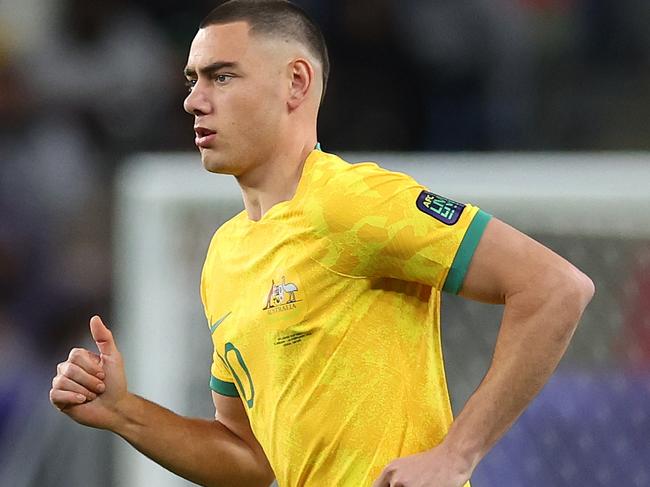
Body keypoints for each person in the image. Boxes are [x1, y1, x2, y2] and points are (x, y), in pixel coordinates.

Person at [49, 1, 595, 486]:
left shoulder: (352, 201)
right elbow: (250, 459)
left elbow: (555, 288)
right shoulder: (223, 256)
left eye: (221, 77)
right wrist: (123, 411)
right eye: (193, 79)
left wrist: (456, 455)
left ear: (296, 83)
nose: (193, 100)